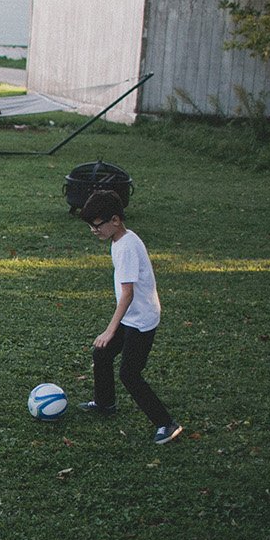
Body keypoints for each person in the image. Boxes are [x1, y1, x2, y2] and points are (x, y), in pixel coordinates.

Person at [78, 189, 183, 445]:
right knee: (101, 354)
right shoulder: (120, 240)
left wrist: (110, 330)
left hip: (141, 321)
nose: (94, 231)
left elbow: (127, 294)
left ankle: (167, 424)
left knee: (130, 374)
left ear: (115, 220)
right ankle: (105, 403)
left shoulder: (126, 246)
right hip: (133, 317)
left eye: (97, 226)